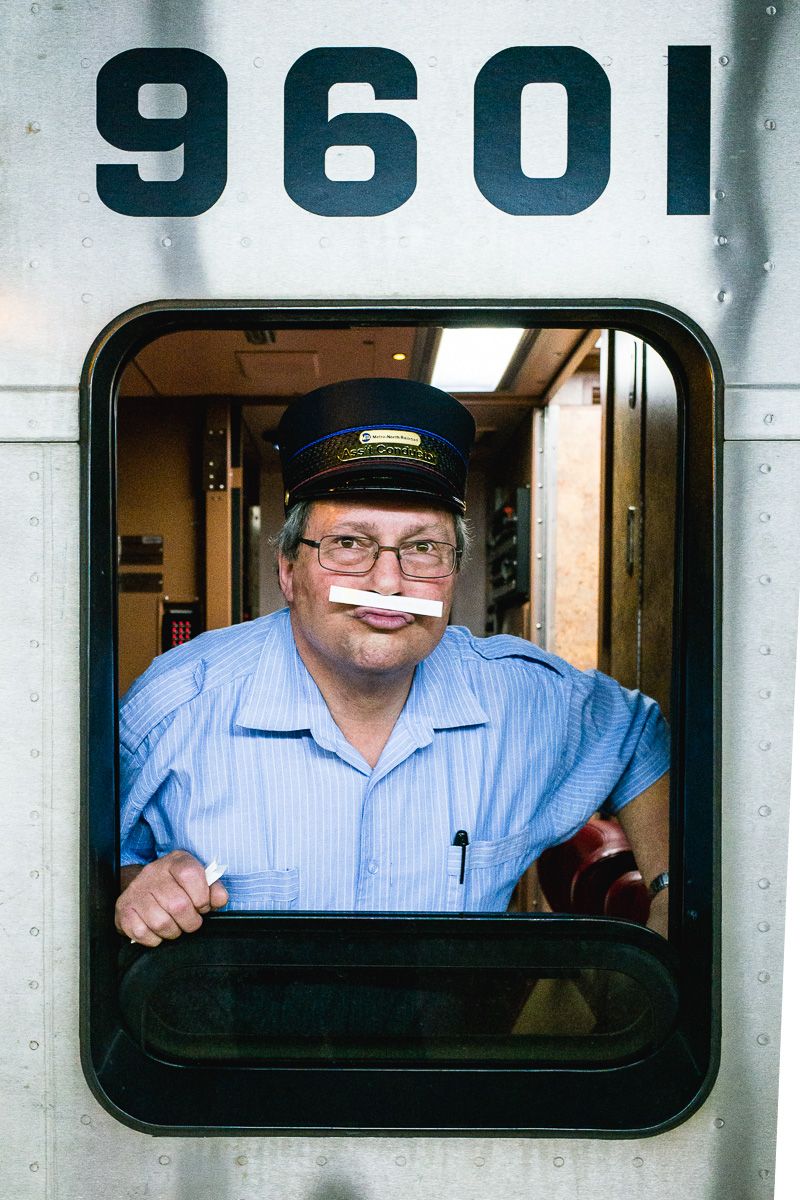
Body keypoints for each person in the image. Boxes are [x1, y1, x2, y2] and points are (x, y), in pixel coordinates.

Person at [116, 378, 670, 946]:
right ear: (288, 571)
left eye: (423, 547)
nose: (387, 582)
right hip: (235, 1035)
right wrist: (136, 884)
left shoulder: (525, 699)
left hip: (452, 1033)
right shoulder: (176, 705)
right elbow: (84, 867)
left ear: (454, 570)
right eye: (350, 543)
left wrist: (669, 893)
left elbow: (639, 737)